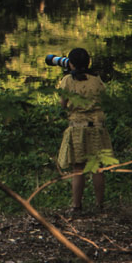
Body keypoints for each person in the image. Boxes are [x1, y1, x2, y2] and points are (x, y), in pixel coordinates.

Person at [56, 47, 111, 216]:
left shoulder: (68, 80)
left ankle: (76, 206)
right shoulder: (96, 79)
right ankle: (100, 205)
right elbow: (104, 99)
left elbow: (63, 104)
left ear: (71, 64)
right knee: (97, 167)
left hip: (77, 127)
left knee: (78, 168)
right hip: (97, 127)